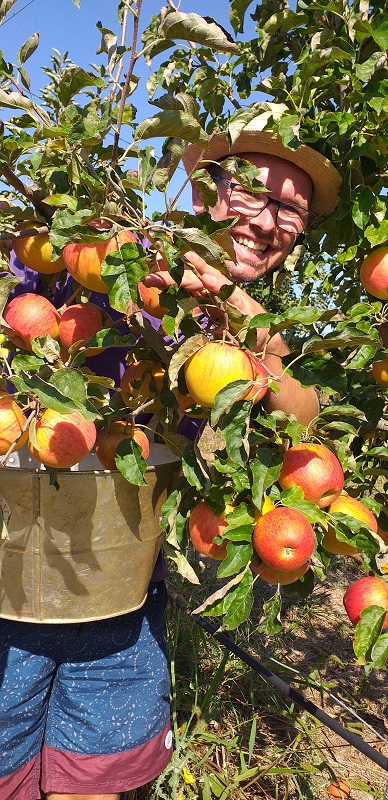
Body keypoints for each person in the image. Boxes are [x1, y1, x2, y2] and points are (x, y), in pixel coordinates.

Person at [0, 122, 342, 800]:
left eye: (290, 210)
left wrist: (238, 314)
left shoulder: (236, 335)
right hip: (9, 588)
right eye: (253, 192)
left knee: (92, 784)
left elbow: (301, 416)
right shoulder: (103, 261)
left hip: (123, 598)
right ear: (202, 191)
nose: (268, 221)